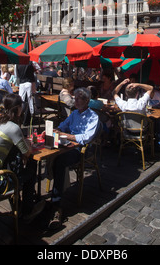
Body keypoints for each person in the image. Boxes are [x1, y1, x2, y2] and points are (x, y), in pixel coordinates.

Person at [0, 93, 45, 222]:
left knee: (21, 167)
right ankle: (27, 210)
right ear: (17, 108)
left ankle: (19, 205)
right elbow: (27, 152)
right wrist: (28, 144)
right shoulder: (13, 128)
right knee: (31, 170)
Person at [47, 87, 100, 230]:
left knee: (59, 161)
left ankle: (56, 203)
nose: (75, 101)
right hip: (69, 145)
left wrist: (67, 136)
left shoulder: (93, 117)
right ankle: (55, 192)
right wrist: (57, 130)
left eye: (79, 99)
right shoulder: (75, 113)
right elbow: (64, 126)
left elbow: (86, 138)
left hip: (82, 149)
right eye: (75, 98)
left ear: (87, 101)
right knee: (47, 155)